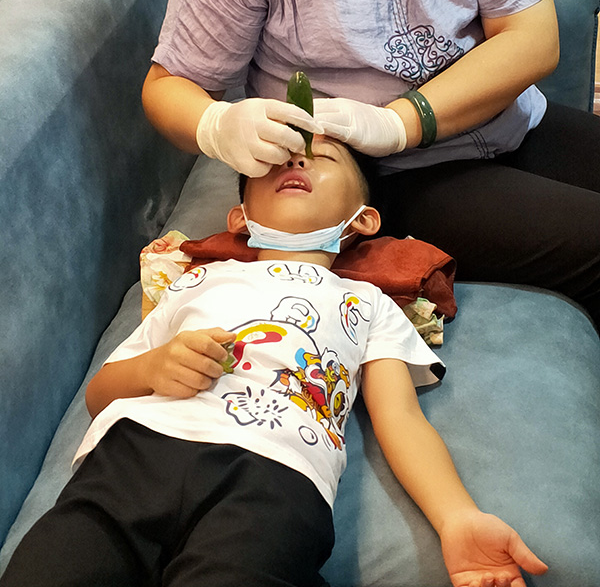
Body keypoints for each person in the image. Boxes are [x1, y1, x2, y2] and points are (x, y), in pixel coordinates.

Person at [0, 137, 548, 587]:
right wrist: (152, 368)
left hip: (277, 479)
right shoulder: (196, 279)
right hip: (131, 457)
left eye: (322, 156)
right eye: (276, 160)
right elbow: (100, 393)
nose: (296, 161)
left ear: (364, 221)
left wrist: (457, 517)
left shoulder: (370, 303)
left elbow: (400, 419)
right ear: (240, 217)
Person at [141, 0, 600, 324]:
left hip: (505, 122)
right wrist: (216, 124)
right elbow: (168, 86)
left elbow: (531, 38)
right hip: (381, 179)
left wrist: (399, 121)